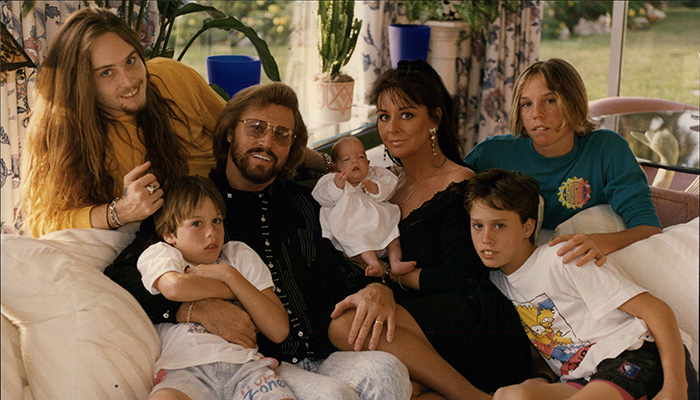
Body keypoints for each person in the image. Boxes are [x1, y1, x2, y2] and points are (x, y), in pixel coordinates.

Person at [108, 82, 415, 400]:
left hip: (328, 352)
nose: (267, 142)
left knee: (387, 370)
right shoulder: (195, 205)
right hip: (259, 366)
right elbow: (124, 277)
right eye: (256, 127)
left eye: (282, 134)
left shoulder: (306, 200)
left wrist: (378, 287)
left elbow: (344, 255)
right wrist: (191, 308)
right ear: (230, 132)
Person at [330, 59, 533, 398]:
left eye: (406, 115)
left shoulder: (461, 183)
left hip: (469, 320)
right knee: (406, 390)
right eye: (384, 116)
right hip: (419, 329)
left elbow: (460, 274)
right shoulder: (385, 184)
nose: (391, 127)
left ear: (435, 119)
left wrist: (386, 279)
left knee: (346, 324)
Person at [464, 168, 698, 400]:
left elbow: (656, 309)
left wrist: (676, 387)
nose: (486, 239)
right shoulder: (496, 282)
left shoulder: (561, 258)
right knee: (509, 396)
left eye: (499, 226)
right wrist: (542, 378)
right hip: (583, 378)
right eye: (478, 225)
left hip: (635, 355)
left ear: (528, 227)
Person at [19, 7, 225, 238]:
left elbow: (239, 133)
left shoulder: (173, 76)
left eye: (130, 61)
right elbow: (42, 223)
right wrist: (119, 212)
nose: (129, 81)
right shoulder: (60, 129)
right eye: (106, 73)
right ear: (81, 83)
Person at [463, 58, 662, 267]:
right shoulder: (490, 154)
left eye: (550, 101)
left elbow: (650, 229)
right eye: (526, 104)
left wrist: (602, 241)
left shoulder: (607, 149)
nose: (536, 114)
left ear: (573, 102)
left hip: (583, 265)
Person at [137, 176, 294, 400]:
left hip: (246, 368)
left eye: (217, 220)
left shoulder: (238, 256)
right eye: (196, 223)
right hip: (185, 369)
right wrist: (236, 288)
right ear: (169, 234)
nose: (211, 232)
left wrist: (229, 274)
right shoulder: (163, 254)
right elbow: (175, 287)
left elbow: (278, 330)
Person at [311, 136, 416, 277]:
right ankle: (374, 264)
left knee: (393, 235)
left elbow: (390, 185)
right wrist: (336, 187)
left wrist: (376, 188)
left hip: (379, 222)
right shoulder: (332, 180)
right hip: (353, 226)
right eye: (347, 159)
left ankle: (396, 262)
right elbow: (321, 197)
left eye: (360, 157)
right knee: (359, 241)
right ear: (336, 166)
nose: (355, 161)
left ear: (368, 161)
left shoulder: (375, 174)